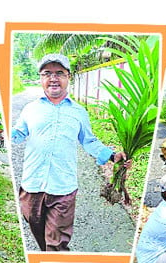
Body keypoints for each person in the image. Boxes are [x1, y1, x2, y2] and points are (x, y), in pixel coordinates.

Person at [11, 53, 127, 252]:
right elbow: (18, 134)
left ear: (68, 77)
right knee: (39, 236)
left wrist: (112, 155)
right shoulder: (30, 109)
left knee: (56, 244)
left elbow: (89, 140)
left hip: (62, 187)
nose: (53, 78)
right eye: (47, 73)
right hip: (32, 184)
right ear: (40, 78)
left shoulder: (78, 112)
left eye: (59, 73)